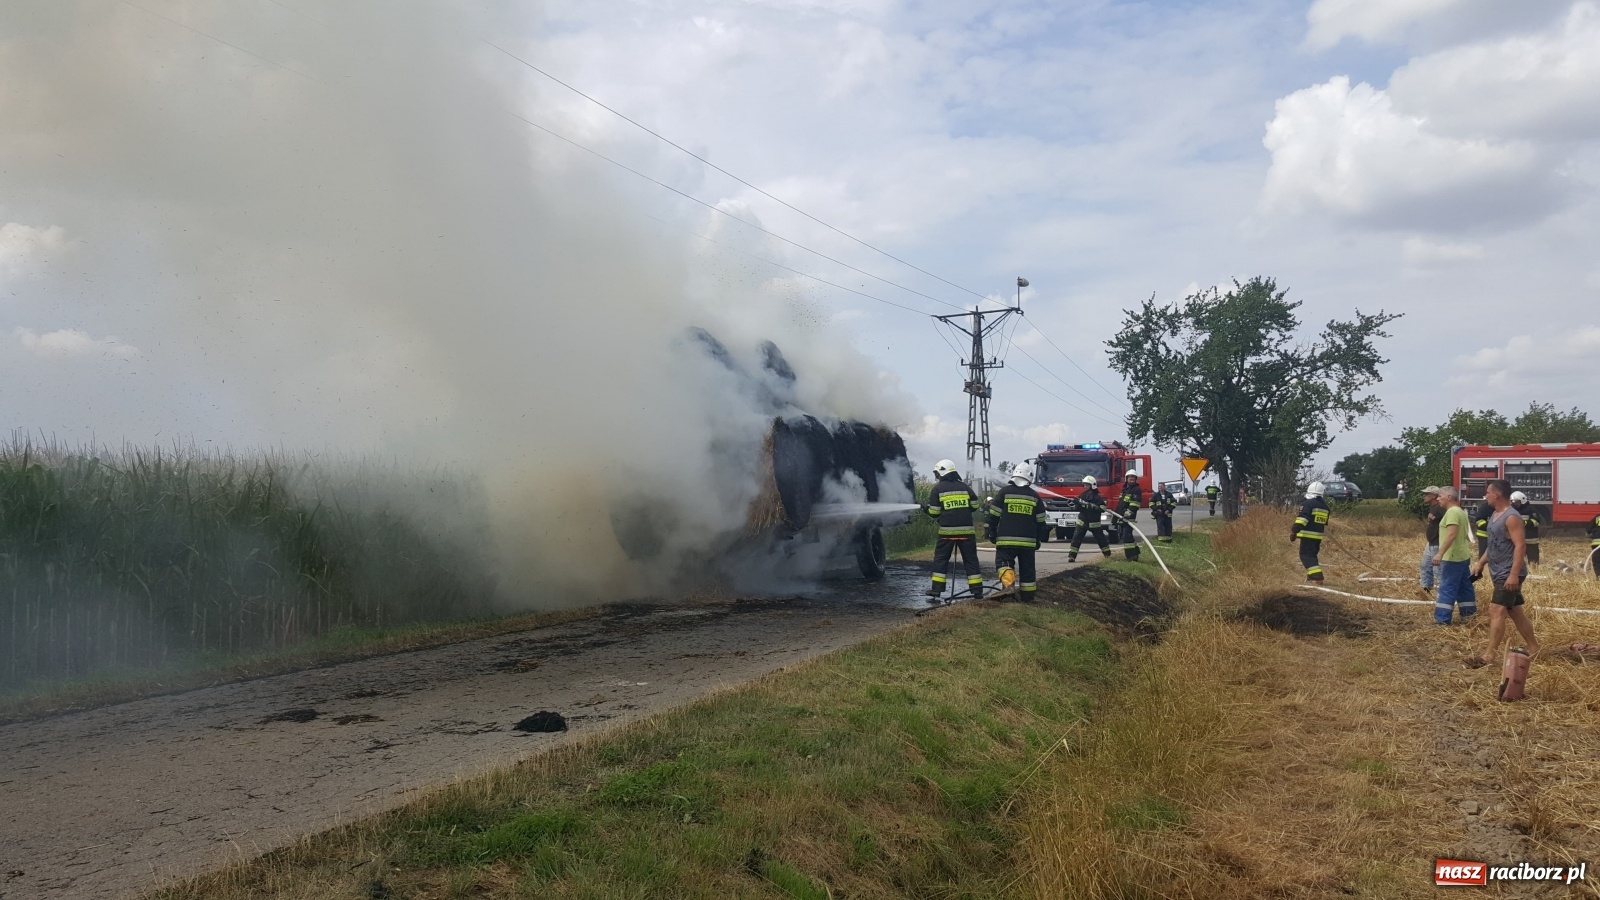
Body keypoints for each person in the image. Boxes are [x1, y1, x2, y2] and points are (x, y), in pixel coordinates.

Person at [1467, 479, 1539, 668]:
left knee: (1496, 610)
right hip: (1498, 571)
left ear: (1497, 494)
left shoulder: (1511, 517)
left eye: (1488, 492)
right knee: (1515, 612)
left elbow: (1520, 545)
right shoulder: (1495, 515)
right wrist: (1481, 563)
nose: (1486, 496)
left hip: (1509, 572)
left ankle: (1488, 656)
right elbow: (1493, 544)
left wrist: (1514, 575)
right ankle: (1534, 649)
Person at [924, 459, 984, 601]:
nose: (936, 476)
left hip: (947, 533)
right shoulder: (965, 487)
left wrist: (926, 509)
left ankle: (936, 591)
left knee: (941, 560)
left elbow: (934, 513)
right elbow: (975, 505)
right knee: (971, 561)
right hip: (967, 533)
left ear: (941, 472)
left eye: (937, 473)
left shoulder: (937, 489)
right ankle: (977, 591)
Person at [988, 463, 1047, 600]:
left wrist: (991, 532)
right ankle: (1028, 597)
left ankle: (1009, 588)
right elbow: (1041, 521)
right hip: (1028, 542)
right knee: (1028, 569)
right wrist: (1038, 539)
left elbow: (994, 515)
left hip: (1006, 540)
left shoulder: (1004, 492)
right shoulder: (1034, 496)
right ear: (1029, 478)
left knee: (1004, 563)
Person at [1430, 486, 1476, 625]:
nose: (1437, 499)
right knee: (1464, 587)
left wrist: (1440, 553)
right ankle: (1469, 616)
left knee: (1447, 588)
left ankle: (1442, 620)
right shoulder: (1460, 511)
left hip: (1451, 557)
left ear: (1449, 497)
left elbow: (1451, 534)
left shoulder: (1452, 513)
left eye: (1440, 496)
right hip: (1462, 556)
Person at [1290, 481, 1330, 583]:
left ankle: (1318, 576)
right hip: (1318, 537)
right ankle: (1311, 577)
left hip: (1307, 536)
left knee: (1305, 555)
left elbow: (1303, 519)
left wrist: (1294, 531)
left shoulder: (1308, 504)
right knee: (1312, 556)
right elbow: (1324, 522)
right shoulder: (1325, 507)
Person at [1067, 475, 1113, 561]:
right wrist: (1073, 505)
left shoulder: (1097, 497)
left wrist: (1089, 506)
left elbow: (1103, 508)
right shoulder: (1082, 495)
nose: (1085, 486)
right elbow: (1078, 507)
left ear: (1092, 485)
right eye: (1084, 485)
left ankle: (1107, 555)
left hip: (1094, 523)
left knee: (1101, 540)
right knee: (1076, 539)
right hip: (1082, 522)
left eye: (1087, 485)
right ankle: (1072, 556)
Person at [1418, 486, 1442, 600]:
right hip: (1431, 542)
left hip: (1437, 543)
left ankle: (1440, 596)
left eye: (1427, 494)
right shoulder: (1433, 508)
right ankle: (1426, 589)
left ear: (1433, 496)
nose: (1424, 496)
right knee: (1425, 565)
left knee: (1437, 570)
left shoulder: (1440, 508)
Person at [1511, 491, 1540, 565]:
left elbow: (1536, 521)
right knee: (1517, 559)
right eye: (1514, 502)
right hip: (1517, 539)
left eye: (1517, 502)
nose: (1515, 504)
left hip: (1530, 539)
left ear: (1522, 500)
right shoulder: (1512, 510)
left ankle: (1534, 570)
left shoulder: (1531, 510)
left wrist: (1525, 523)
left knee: (1533, 560)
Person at [1116, 471, 1143, 544]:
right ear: (1126, 479)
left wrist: (1128, 512)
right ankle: (1133, 553)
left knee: (1127, 536)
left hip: (1129, 517)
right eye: (1130, 479)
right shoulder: (1125, 489)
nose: (1132, 481)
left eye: (1133, 479)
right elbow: (1121, 503)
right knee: (1125, 536)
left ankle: (1131, 554)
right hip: (1121, 516)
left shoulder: (1136, 489)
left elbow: (1135, 504)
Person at [1588, 513, 1600, 579]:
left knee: (1596, 561)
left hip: (1596, 544)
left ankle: (1598, 576)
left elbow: (1588, 529)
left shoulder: (1597, 517)